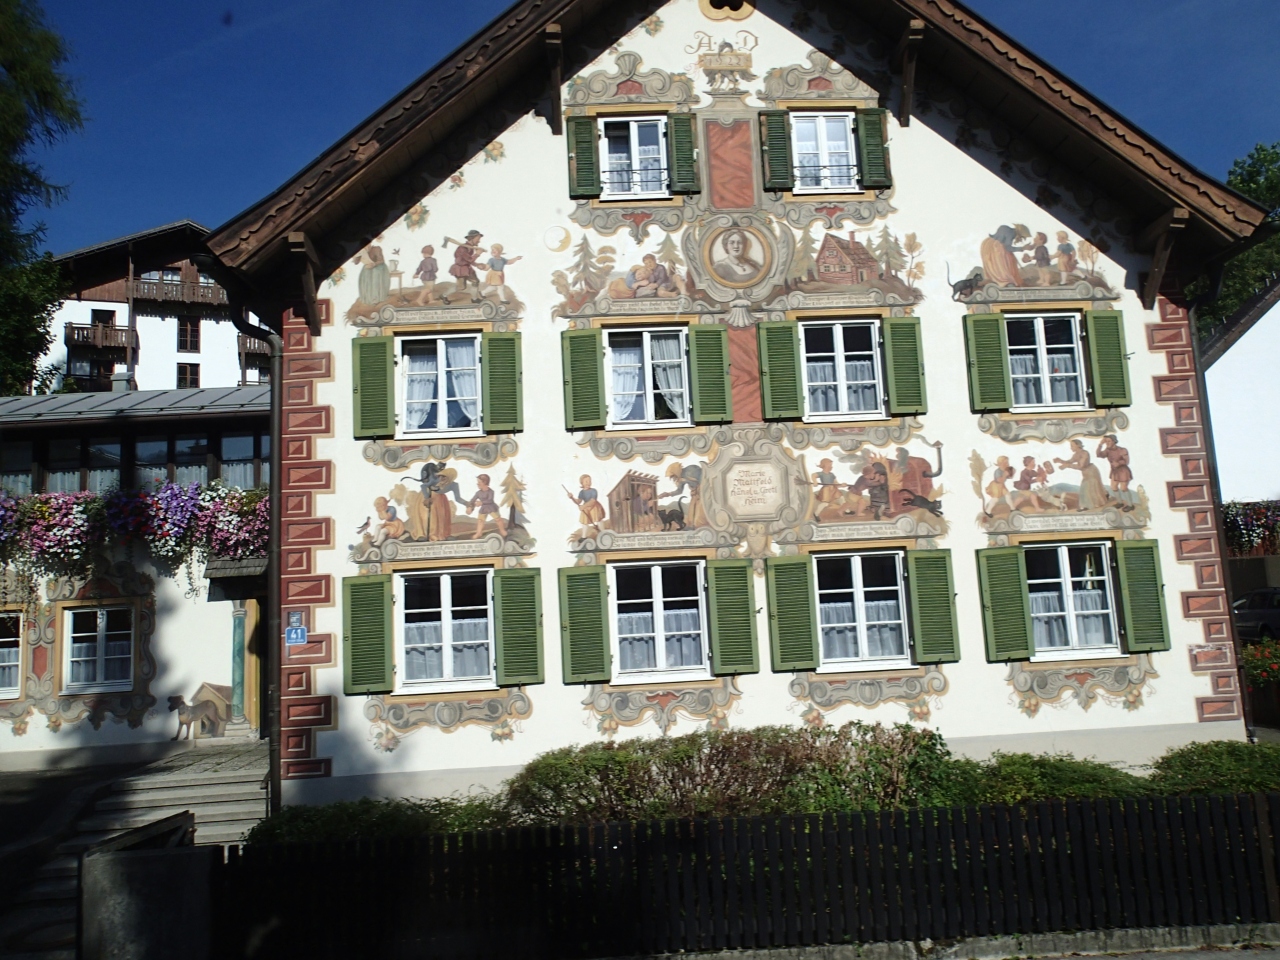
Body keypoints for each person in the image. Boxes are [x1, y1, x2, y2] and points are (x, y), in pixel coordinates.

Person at [1055, 439, 1108, 511]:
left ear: (1078, 445)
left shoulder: (1084, 453)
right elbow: (1069, 461)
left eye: (1072, 446)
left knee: (1086, 488)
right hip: (1086, 473)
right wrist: (1060, 461)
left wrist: (1067, 466)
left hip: (1091, 472)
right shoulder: (1075, 454)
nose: (1071, 448)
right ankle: (1090, 504)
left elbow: (1081, 466)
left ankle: (1086, 506)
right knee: (1087, 488)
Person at [659, 462, 705, 527]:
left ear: (676, 472)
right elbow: (679, 491)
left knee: (699, 511)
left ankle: (698, 525)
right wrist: (668, 494)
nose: (673, 478)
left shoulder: (690, 470)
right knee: (691, 511)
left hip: (703, 492)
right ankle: (690, 526)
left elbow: (702, 479)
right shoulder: (681, 479)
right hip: (695, 493)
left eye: (673, 476)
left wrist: (686, 481)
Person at [445, 230, 486, 303]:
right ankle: (444, 295)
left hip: (467, 268)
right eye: (477, 239)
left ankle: (474, 299)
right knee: (461, 287)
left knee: (475, 281)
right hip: (460, 269)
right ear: (471, 238)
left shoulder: (470, 248)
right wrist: (477, 254)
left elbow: (468, 260)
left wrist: (477, 265)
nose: (479, 241)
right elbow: (469, 259)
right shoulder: (462, 248)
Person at [466, 473, 508, 539]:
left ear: (485, 483)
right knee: (480, 521)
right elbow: (472, 500)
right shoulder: (478, 493)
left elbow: (490, 500)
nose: (477, 484)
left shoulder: (491, 491)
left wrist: (481, 503)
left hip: (491, 507)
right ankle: (479, 533)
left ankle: (502, 530)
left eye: (479, 482)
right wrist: (470, 507)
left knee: (498, 519)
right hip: (484, 509)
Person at [357, 237, 391, 305]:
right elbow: (356, 262)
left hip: (380, 267)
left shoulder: (376, 249)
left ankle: (376, 298)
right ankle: (368, 297)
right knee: (365, 271)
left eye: (368, 244)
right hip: (369, 266)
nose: (367, 247)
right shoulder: (362, 251)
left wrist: (374, 264)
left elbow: (381, 261)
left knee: (375, 272)